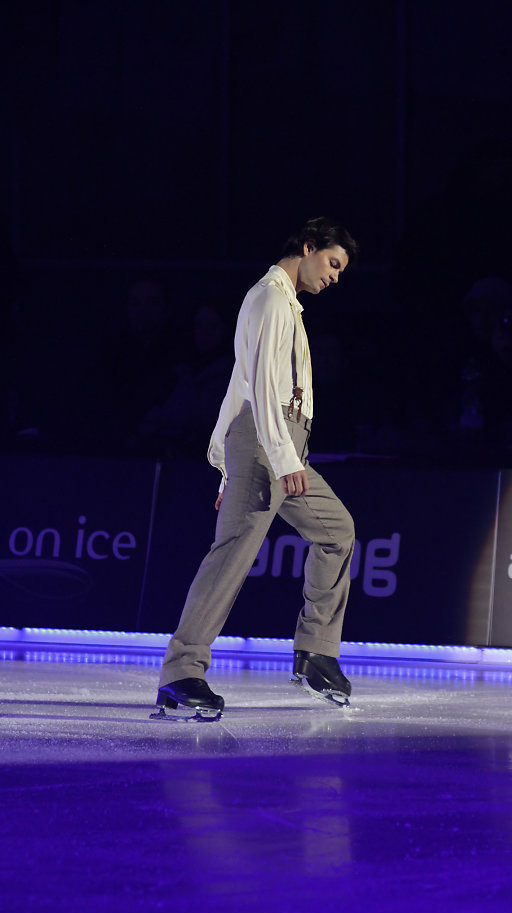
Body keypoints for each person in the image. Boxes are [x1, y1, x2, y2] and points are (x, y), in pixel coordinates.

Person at [154, 217, 359, 719]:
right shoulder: (269, 297)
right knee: (234, 553)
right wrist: (275, 458)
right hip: (270, 442)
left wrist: (227, 461)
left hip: (279, 442)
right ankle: (182, 670)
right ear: (308, 247)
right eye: (333, 263)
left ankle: (315, 653)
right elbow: (261, 388)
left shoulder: (285, 303)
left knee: (337, 531)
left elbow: (238, 383)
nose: (335, 276)